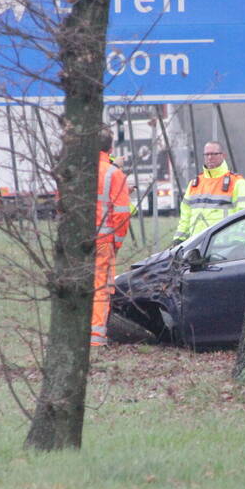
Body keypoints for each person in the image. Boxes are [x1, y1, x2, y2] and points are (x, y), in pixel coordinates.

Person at [91, 129, 132, 348]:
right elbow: (122, 213)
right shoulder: (114, 174)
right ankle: (95, 339)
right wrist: (116, 242)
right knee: (100, 289)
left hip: (78, 242)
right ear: (111, 148)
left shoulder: (77, 172)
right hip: (103, 240)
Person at [172, 141, 245, 244]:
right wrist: (179, 239)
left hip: (225, 247)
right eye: (207, 154)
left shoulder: (237, 182)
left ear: (223, 155)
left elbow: (244, 216)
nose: (210, 157)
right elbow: (185, 217)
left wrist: (239, 242)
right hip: (196, 246)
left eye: (214, 154)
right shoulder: (194, 184)